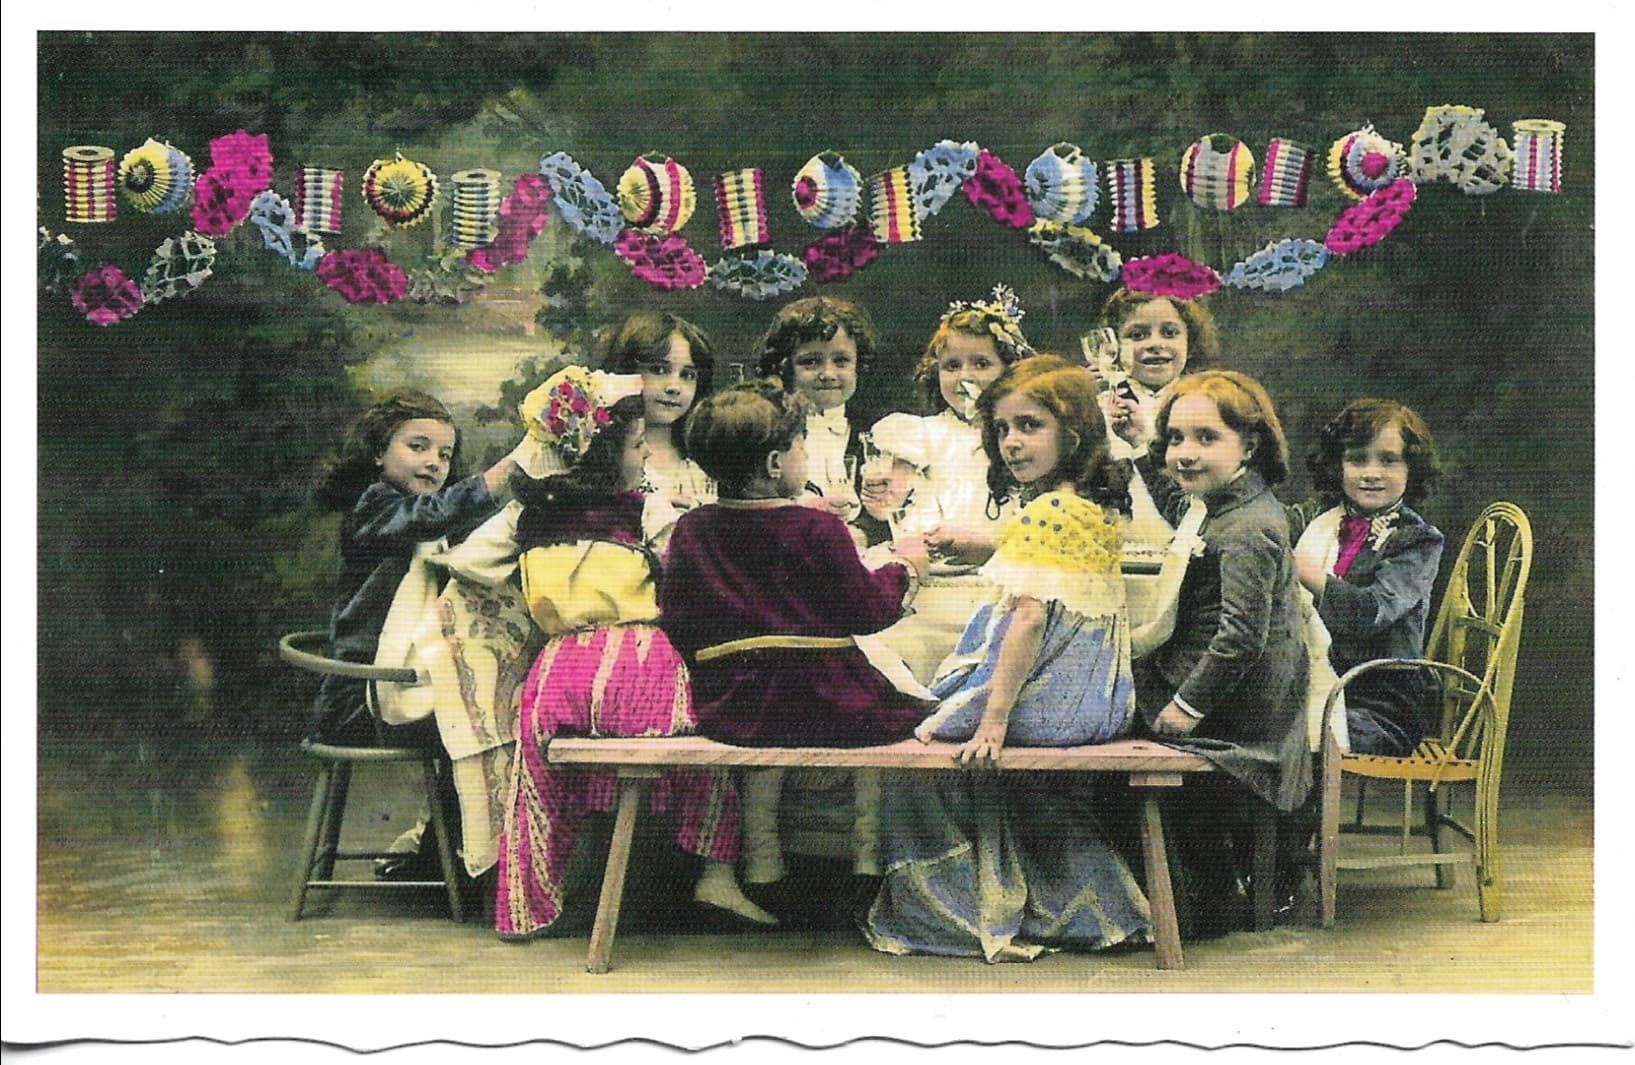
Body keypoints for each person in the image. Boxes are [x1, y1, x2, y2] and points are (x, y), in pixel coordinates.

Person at [863, 355, 1149, 962]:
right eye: (1002, 429)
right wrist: (981, 544)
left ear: (1073, 433)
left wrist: (993, 720)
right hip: (1092, 697)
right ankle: (1047, 903)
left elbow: (1029, 618)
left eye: (1030, 426)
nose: (1012, 442)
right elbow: (1040, 553)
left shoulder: (1049, 511)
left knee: (906, 745)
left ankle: (955, 914)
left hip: (1049, 705)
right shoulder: (1079, 503)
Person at [494, 365, 774, 939]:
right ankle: (717, 872)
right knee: (717, 727)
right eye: (638, 443)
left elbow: (467, 562)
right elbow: (699, 577)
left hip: (559, 675)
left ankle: (533, 902)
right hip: (638, 668)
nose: (646, 453)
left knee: (534, 774)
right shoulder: (646, 510)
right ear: (605, 454)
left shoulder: (528, 514)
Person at [659, 379, 932, 889]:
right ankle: (867, 858)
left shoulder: (692, 530)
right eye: (801, 447)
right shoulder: (817, 529)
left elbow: (678, 618)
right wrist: (906, 568)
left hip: (733, 705)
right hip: (829, 700)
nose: (805, 456)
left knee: (769, 744)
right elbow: (867, 611)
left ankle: (763, 862)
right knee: (902, 708)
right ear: (774, 464)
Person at [1120, 369, 1311, 939]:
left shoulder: (1248, 526)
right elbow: (1177, 504)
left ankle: (1193, 893)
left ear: (1248, 446)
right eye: (1176, 438)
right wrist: (1140, 445)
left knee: (1098, 730)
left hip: (1240, 709)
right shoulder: (1227, 502)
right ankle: (1195, 885)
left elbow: (1241, 639)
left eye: (1206, 438)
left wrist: (1187, 706)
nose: (1184, 453)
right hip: (1231, 688)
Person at [306, 390, 521, 746]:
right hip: (361, 698)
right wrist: (508, 470)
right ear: (378, 452)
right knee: (493, 720)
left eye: (444, 455)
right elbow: (427, 516)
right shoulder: (374, 509)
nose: (434, 462)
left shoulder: (437, 529)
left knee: (506, 705)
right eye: (418, 447)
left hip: (407, 685)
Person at [861, 285, 1033, 683]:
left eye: (981, 363)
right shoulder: (919, 434)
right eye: (952, 366)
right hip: (934, 580)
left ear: (1009, 370)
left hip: (999, 578)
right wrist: (881, 496)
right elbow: (892, 501)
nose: (965, 376)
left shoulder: (1022, 438)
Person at [1292, 398, 1444, 756]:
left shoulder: (1416, 540)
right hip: (1313, 687)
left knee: (1279, 732)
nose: (1371, 473)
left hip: (1379, 708)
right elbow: (1266, 524)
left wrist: (1308, 573)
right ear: (1338, 465)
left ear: (1411, 468)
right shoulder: (1318, 518)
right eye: (1358, 459)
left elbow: (1371, 612)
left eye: (1389, 460)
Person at [756, 295, 890, 545]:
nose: (828, 374)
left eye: (841, 361)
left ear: (858, 365)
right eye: (811, 362)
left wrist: (859, 535)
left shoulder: (878, 432)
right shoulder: (767, 431)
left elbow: (889, 512)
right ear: (786, 366)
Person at [1096, 288, 1221, 548]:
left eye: (1169, 332)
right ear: (1114, 346)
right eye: (1137, 335)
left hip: (1189, 548)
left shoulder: (1209, 407)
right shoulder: (1099, 408)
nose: (1155, 344)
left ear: (1190, 342)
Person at [596, 311, 718, 551]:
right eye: (659, 370)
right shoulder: (608, 462)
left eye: (687, 375)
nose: (674, 387)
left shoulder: (705, 462)